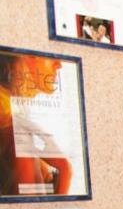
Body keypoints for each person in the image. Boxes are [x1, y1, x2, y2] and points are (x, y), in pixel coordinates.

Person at [0, 53, 73, 196]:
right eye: (51, 55)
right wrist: (65, 170)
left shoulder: (13, 111)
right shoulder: (8, 116)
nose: (59, 64)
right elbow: (31, 205)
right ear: (28, 56)